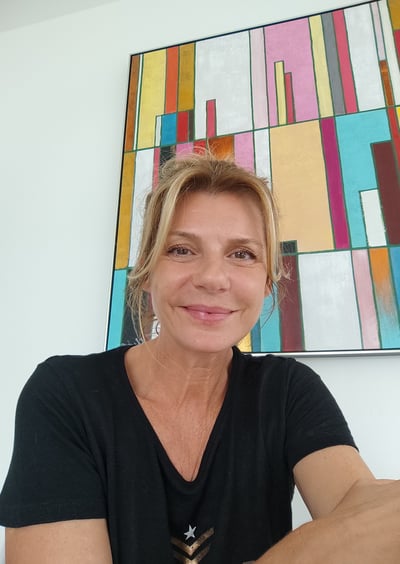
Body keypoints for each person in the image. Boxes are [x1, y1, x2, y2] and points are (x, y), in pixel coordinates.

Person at [0, 151, 399, 563]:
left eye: (242, 254)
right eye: (181, 250)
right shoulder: (66, 395)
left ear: (267, 281)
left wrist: (365, 524)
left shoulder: (286, 391)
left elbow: (369, 515)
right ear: (147, 271)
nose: (212, 278)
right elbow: (357, 530)